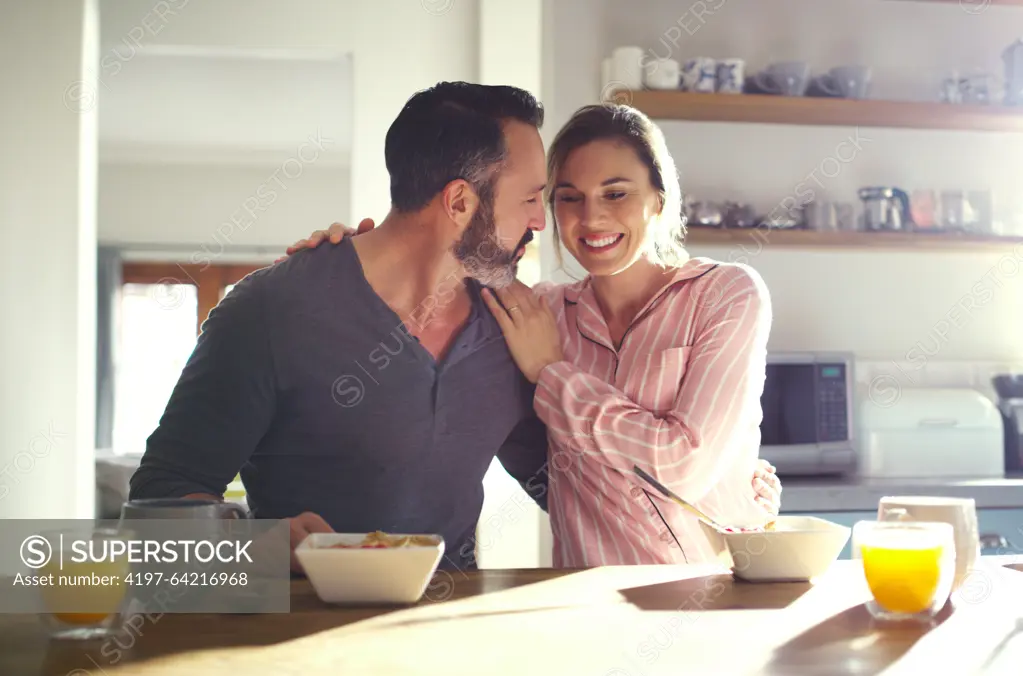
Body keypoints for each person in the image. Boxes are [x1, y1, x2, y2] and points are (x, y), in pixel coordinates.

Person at [283, 101, 782, 566]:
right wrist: (347, 256)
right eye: (568, 198)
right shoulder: (536, 310)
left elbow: (681, 469)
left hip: (715, 594)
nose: (591, 217)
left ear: (659, 197)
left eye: (616, 193)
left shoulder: (726, 294)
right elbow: (433, 267)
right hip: (585, 603)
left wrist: (552, 375)